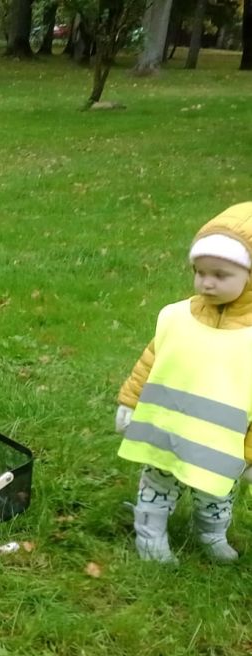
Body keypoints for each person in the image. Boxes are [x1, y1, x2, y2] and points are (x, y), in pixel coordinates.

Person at [116, 202, 252, 564]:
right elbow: (150, 360)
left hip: (220, 447)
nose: (206, 282)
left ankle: (211, 533)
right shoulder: (176, 317)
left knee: (217, 491)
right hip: (166, 431)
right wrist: (129, 402)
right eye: (200, 271)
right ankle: (150, 535)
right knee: (158, 484)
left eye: (221, 274)